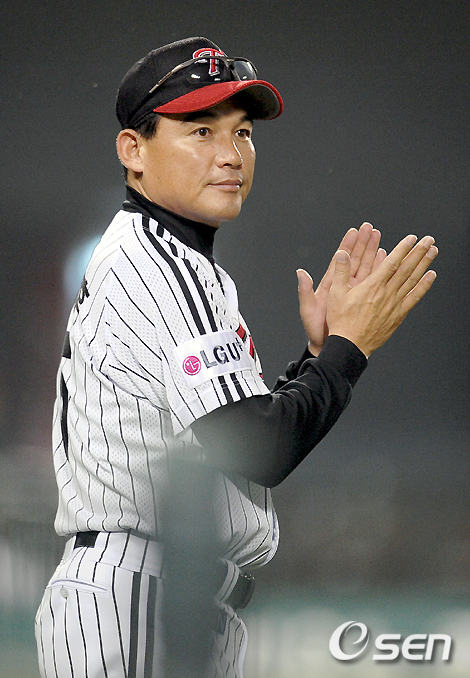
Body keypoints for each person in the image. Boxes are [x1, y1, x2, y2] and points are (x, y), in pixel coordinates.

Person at [35, 36, 437, 678]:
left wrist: (317, 357)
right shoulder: (156, 265)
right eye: (201, 131)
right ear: (133, 150)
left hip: (162, 591)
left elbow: (228, 436)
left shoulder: (163, 257)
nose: (231, 155)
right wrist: (348, 350)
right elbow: (260, 448)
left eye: (242, 133)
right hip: (138, 594)